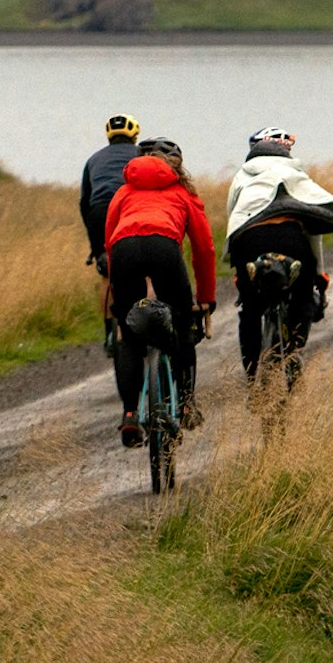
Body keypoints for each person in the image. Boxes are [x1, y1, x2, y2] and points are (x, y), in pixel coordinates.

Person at [100, 135, 218, 442]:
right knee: (181, 323)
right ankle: (187, 404)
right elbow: (204, 248)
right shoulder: (183, 192)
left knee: (130, 333)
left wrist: (116, 288)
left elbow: (110, 242)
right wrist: (205, 299)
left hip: (125, 250)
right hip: (164, 247)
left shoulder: (124, 192)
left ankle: (129, 414)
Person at [223, 128, 333, 386]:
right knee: (302, 295)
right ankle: (294, 355)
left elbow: (234, 220)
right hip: (291, 237)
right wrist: (318, 274)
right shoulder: (297, 174)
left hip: (249, 240)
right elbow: (313, 233)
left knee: (250, 308)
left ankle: (252, 380)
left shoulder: (241, 176)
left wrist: (237, 267)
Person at [79, 113, 142, 272]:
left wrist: (94, 238)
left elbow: (84, 203)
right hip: (130, 210)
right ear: (134, 136)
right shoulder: (142, 155)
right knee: (144, 271)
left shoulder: (93, 159)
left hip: (99, 214)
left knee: (107, 272)